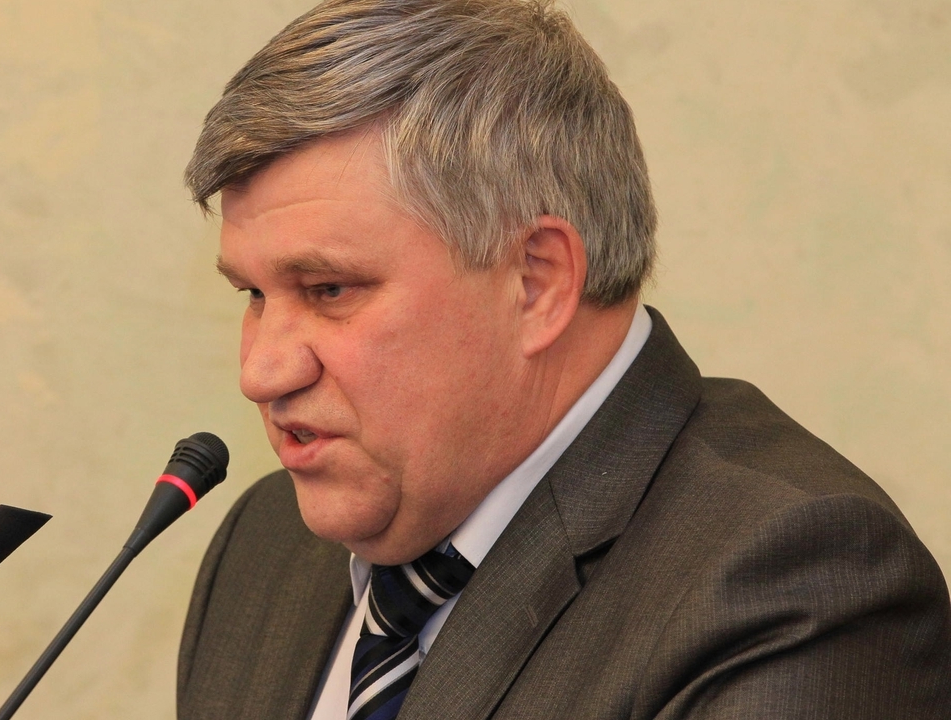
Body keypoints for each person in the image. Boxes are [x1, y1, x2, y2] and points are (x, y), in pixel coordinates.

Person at [175, 1, 951, 718]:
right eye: (252, 294)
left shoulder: (791, 580)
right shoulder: (265, 542)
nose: (261, 372)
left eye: (330, 290)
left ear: (536, 283)